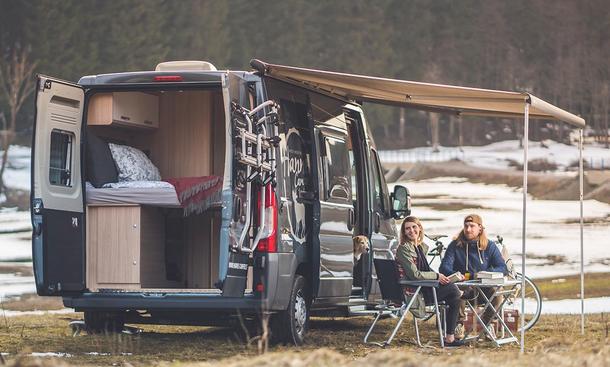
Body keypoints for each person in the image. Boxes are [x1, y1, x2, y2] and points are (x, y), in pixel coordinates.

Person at [395, 216, 464, 347]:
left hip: (424, 288)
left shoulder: (419, 247)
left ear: (419, 228)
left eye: (414, 227)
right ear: (404, 232)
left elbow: (425, 269)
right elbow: (415, 275)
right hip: (415, 293)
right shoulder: (403, 249)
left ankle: (450, 338)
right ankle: (451, 335)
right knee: (455, 292)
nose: (411, 231)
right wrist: (437, 276)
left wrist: (442, 277)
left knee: (454, 296)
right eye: (407, 229)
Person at [439, 213, 508, 339]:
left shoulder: (490, 246)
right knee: (455, 290)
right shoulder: (455, 245)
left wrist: (484, 274)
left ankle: (487, 324)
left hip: (482, 289)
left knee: (497, 293)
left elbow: (503, 268)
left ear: (480, 228)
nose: (468, 229)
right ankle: (457, 325)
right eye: (466, 226)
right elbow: (444, 267)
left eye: (472, 226)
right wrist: (464, 276)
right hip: (462, 287)